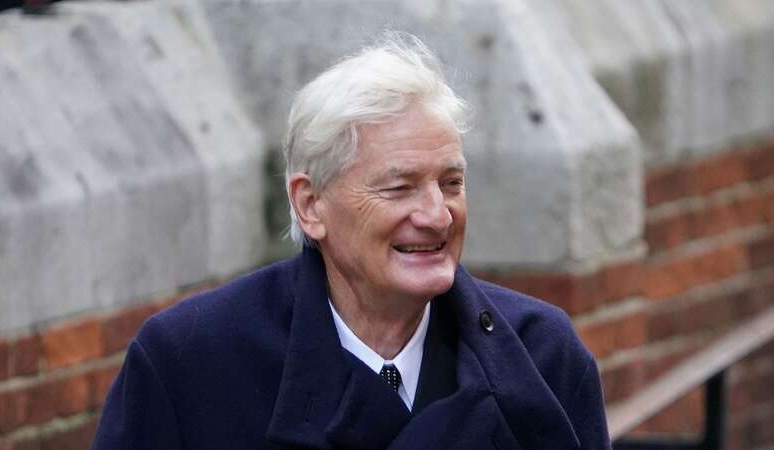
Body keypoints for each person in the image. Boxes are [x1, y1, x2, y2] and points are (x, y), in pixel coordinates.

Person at [91, 33, 611, 450]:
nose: (436, 215)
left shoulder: (542, 354)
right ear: (311, 204)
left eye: (451, 183)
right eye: (399, 188)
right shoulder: (191, 361)